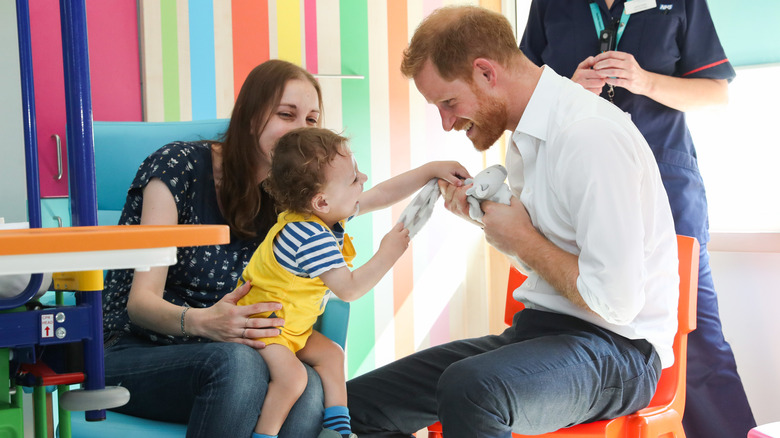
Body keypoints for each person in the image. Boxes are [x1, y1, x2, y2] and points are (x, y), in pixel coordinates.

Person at [346, 6, 680, 437]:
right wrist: (487, 220)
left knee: (471, 389)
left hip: (618, 351)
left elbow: (616, 300)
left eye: (448, 103)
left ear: (486, 73)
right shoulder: (527, 138)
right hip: (540, 332)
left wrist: (521, 239)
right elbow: (549, 262)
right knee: (354, 406)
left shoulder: (588, 136)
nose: (447, 124)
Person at [519, 1, 756, 436]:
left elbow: (717, 92)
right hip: (576, 188)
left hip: (667, 183)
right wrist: (567, 89)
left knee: (695, 336)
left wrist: (645, 81)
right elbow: (522, 91)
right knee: (568, 322)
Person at [101, 59, 328, 438]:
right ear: (251, 116)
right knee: (238, 367)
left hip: (230, 353)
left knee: (308, 390)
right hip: (132, 349)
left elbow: (357, 197)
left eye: (311, 120)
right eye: (287, 115)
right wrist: (206, 321)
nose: (299, 132)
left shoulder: (290, 201)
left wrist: (428, 175)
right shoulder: (177, 167)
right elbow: (140, 304)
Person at [237, 127, 468, 438]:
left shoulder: (324, 214)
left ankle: (338, 430)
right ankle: (264, 435)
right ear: (321, 202)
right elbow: (349, 288)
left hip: (290, 328)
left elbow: (383, 194)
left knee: (332, 354)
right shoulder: (307, 235)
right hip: (264, 327)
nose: (365, 179)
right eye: (354, 178)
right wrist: (387, 254)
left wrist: (430, 170)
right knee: (292, 380)